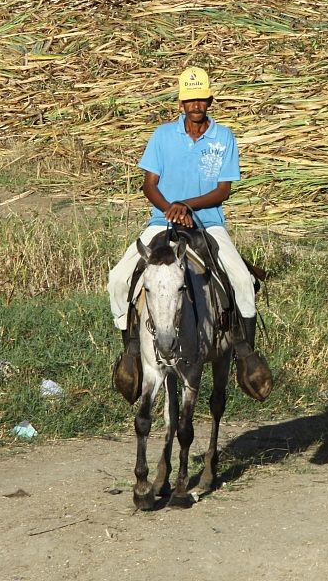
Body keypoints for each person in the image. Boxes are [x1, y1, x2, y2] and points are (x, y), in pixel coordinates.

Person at [107, 66, 272, 402]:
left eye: (201, 99)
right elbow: (149, 185)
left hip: (208, 222)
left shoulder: (223, 137)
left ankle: (246, 355)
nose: (196, 105)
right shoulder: (162, 136)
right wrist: (171, 209)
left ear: (209, 100)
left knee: (242, 280)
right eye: (190, 100)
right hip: (163, 220)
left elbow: (223, 190)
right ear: (181, 103)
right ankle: (131, 352)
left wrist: (187, 206)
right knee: (118, 279)